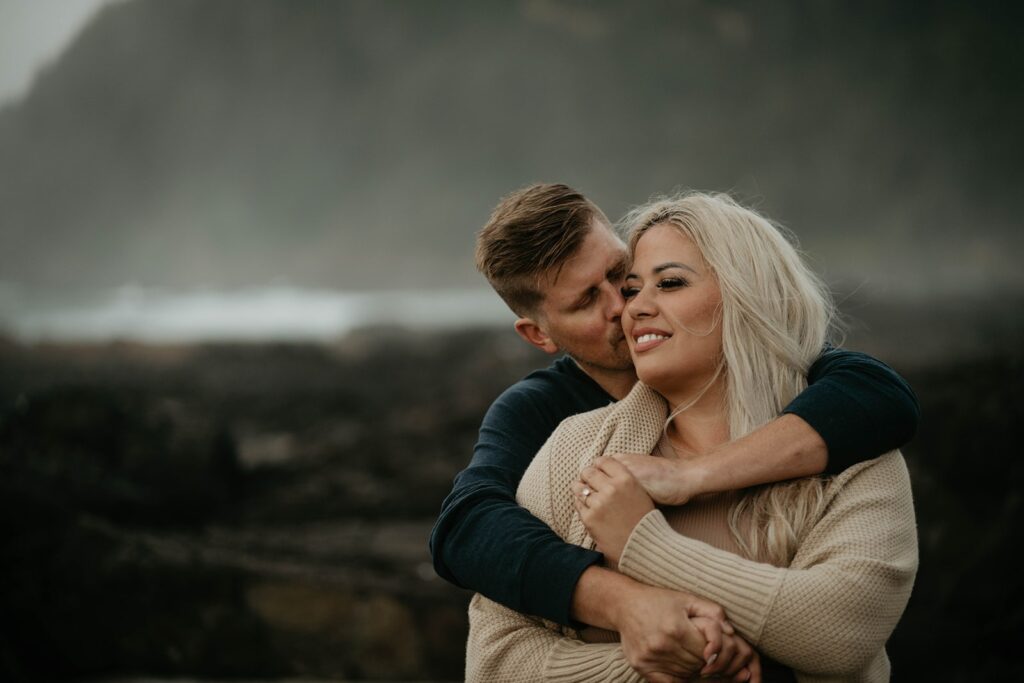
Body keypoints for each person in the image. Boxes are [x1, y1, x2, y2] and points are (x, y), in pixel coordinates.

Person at [430, 184, 919, 678]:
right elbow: (467, 528)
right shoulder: (555, 432)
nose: (624, 307)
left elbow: (883, 396)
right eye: (585, 302)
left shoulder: (831, 407)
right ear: (540, 334)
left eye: (622, 277)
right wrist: (636, 613)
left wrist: (690, 479)